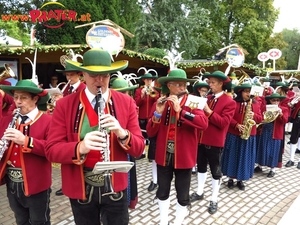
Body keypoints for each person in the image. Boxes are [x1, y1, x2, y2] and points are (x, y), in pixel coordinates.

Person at [45, 48, 144, 225]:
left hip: (115, 188)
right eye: (93, 75)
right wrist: (80, 147)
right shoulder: (65, 105)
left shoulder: (126, 102)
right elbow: (51, 151)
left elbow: (139, 148)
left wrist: (122, 133)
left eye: (105, 75)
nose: (100, 81)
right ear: (82, 74)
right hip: (81, 188)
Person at [146, 67, 208, 225]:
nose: (183, 88)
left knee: (183, 194)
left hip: (184, 156)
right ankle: (163, 221)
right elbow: (150, 132)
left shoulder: (195, 101)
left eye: (184, 84)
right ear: (169, 86)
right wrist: (157, 114)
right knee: (162, 191)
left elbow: (203, 124)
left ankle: (178, 222)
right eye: (178, 84)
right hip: (164, 155)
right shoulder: (161, 102)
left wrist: (182, 112)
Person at [0, 79, 52, 225]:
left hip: (36, 184)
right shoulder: (6, 120)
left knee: (39, 221)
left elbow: (52, 150)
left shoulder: (47, 121)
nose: (18, 101)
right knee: (21, 220)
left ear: (35, 99)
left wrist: (26, 141)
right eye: (15, 97)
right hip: (12, 183)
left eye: (23, 97)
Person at [189, 70, 236, 215]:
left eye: (212, 83)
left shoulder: (230, 102)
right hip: (201, 140)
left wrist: (208, 111)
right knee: (201, 167)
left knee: (216, 171)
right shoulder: (208, 98)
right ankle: (200, 191)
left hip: (215, 142)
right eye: (209, 82)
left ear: (221, 84)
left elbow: (223, 123)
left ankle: (214, 199)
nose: (210, 85)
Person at [54, 56, 86, 196]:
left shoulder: (83, 88)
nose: (69, 78)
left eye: (71, 75)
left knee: (76, 155)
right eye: (67, 75)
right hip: (66, 125)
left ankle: (79, 183)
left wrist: (63, 101)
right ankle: (65, 184)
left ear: (79, 74)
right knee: (65, 155)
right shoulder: (67, 88)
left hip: (78, 126)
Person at [221, 82, 263, 190]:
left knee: (244, 157)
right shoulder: (234, 103)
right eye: (246, 92)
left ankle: (241, 180)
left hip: (249, 135)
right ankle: (230, 178)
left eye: (250, 92)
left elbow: (260, 118)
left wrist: (254, 115)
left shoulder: (256, 104)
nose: (248, 94)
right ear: (241, 92)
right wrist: (236, 125)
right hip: (234, 134)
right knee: (232, 156)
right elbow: (228, 117)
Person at [110, 74, 139, 209]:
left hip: (127, 142)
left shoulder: (130, 103)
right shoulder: (108, 103)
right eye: (121, 92)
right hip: (114, 146)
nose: (124, 94)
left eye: (125, 92)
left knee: (127, 175)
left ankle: (126, 201)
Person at [255, 93, 288, 177]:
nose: (276, 102)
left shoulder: (283, 109)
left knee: (273, 151)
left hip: (275, 133)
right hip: (265, 131)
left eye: (278, 100)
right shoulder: (265, 107)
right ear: (270, 100)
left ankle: (272, 169)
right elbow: (260, 118)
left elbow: (285, 121)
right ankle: (259, 165)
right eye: (274, 100)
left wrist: (281, 114)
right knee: (262, 148)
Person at [134, 69, 159, 161]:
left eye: (150, 80)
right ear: (144, 80)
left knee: (151, 136)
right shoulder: (138, 90)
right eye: (147, 80)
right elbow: (137, 103)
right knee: (142, 135)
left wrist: (151, 92)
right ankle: (142, 152)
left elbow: (157, 100)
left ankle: (151, 155)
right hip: (142, 116)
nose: (148, 81)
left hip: (151, 116)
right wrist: (142, 95)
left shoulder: (155, 90)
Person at [285, 93, 300, 168]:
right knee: (293, 139)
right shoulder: (298, 98)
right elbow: (290, 105)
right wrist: (294, 101)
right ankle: (291, 159)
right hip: (297, 120)